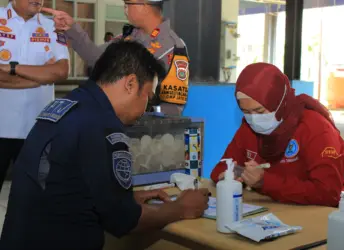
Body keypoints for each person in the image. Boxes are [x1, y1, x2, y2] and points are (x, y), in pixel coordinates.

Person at [0, 40, 209, 250]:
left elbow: (65, 187)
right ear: (130, 84)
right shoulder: (104, 126)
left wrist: (120, 196)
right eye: (148, 96)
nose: (146, 107)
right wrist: (182, 208)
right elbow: (125, 220)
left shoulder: (67, 105)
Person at [210, 63, 344, 207]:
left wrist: (266, 182)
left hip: (316, 213)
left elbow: (327, 193)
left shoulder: (315, 128)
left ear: (279, 103)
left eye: (259, 111)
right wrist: (230, 176)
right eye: (246, 112)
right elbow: (220, 168)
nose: (253, 119)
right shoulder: (248, 127)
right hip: (275, 210)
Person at [41, 0, 189, 116]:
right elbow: (97, 58)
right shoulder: (128, 36)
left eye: (127, 4)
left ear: (143, 6)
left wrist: (142, 120)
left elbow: (172, 108)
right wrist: (71, 28)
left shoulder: (173, 47)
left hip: (144, 135)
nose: (125, 10)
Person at [0, 0, 69, 193]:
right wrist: (39, 77)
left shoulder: (52, 26)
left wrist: (12, 68)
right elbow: (50, 74)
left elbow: (61, 71)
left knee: (34, 202)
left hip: (38, 131)